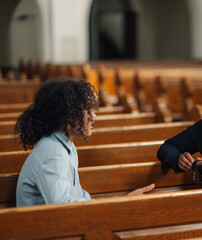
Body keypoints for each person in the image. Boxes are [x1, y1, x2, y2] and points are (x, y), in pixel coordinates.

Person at [16, 78, 154, 207]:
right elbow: (63, 208)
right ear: (68, 115)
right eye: (86, 110)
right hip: (43, 231)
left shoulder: (65, 145)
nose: (93, 115)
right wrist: (120, 204)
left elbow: (78, 195)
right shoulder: (53, 153)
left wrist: (119, 202)